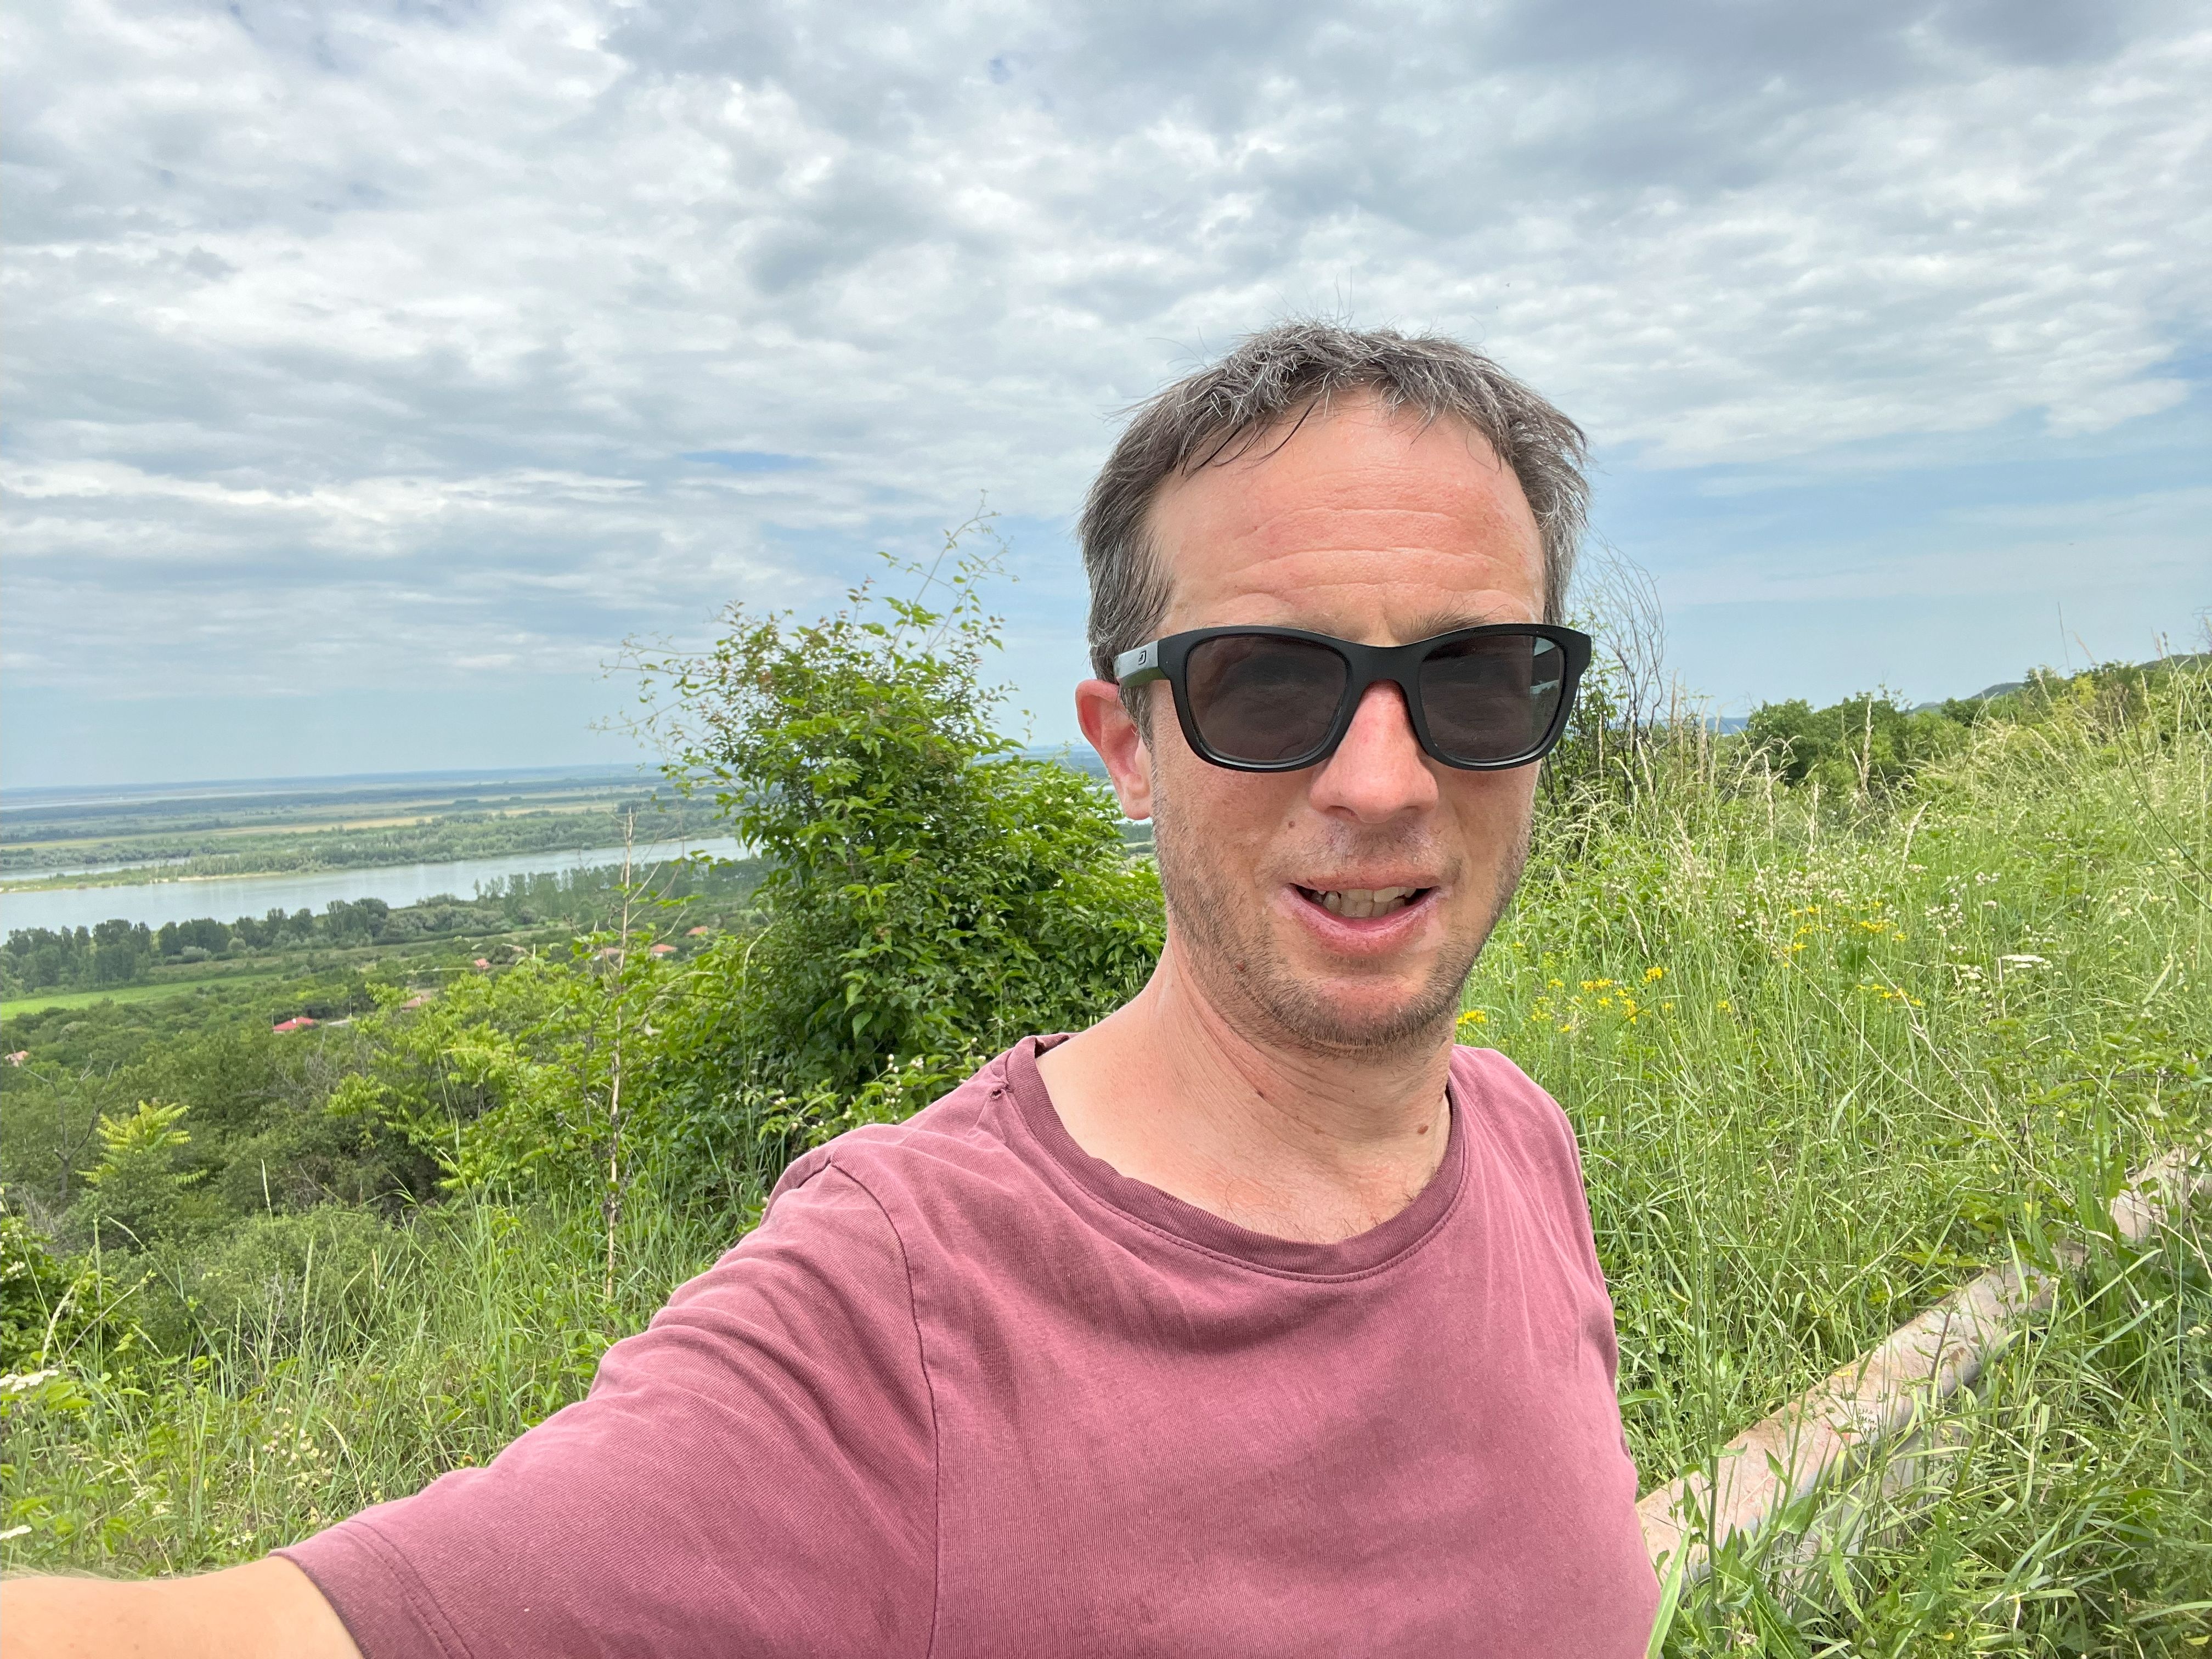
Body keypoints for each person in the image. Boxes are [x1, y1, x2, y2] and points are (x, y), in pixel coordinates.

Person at [3, 323, 1659, 1657]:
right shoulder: (908, 1305)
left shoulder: (1515, 1141)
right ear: (1128, 747)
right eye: (1267, 684)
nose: (1383, 779)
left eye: (1474, 675)